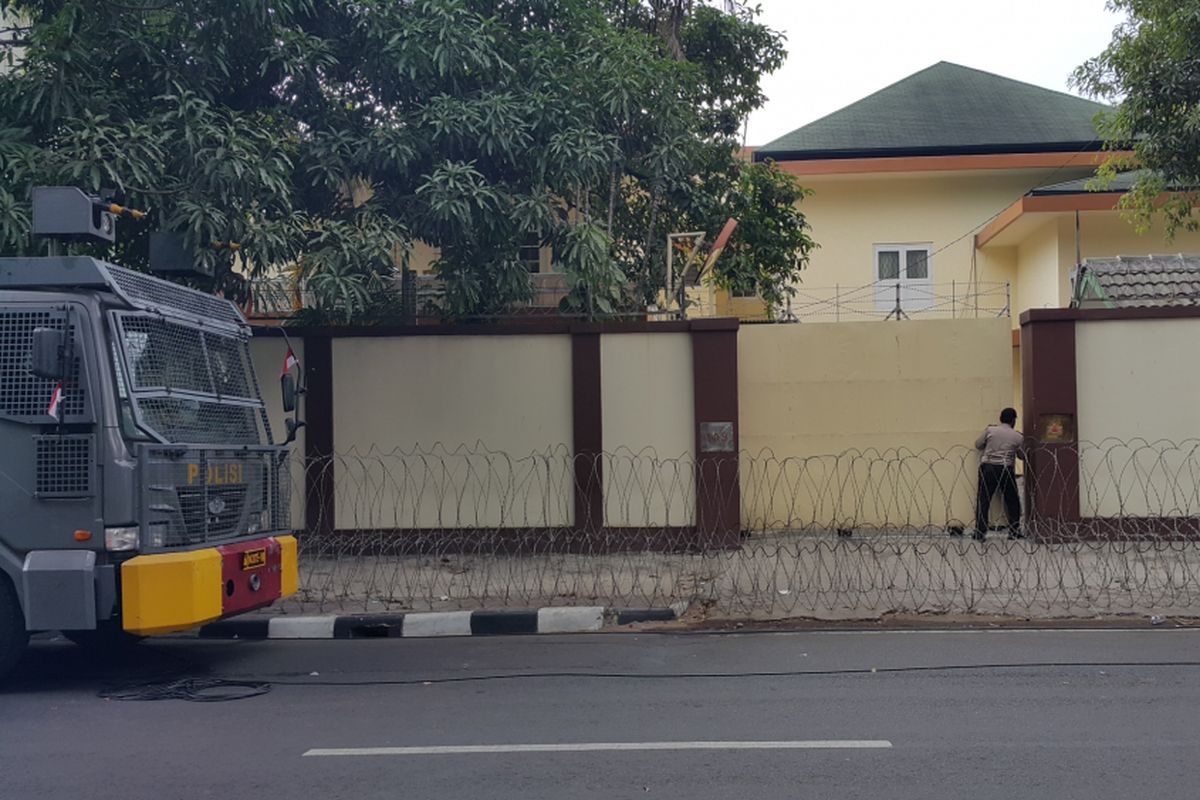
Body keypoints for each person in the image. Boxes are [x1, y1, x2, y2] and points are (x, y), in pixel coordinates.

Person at [973, 407, 1024, 540]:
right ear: (1013, 420)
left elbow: (978, 445)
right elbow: (1022, 456)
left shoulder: (990, 430)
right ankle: (1014, 530)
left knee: (984, 500)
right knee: (1012, 500)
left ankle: (980, 532)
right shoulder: (1017, 436)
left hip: (988, 467)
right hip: (1005, 468)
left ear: (1001, 418)